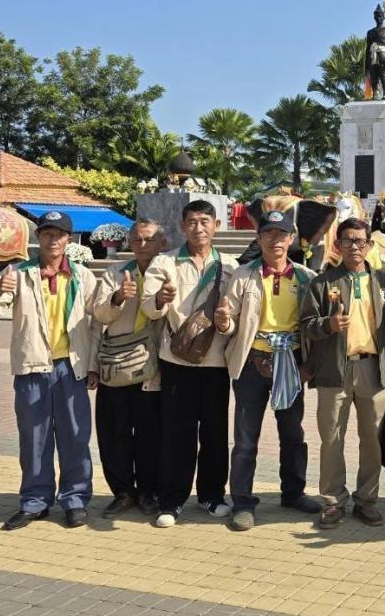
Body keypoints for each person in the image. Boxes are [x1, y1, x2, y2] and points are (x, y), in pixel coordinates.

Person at [0, 210, 98, 530]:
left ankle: (75, 499)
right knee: (35, 439)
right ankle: (35, 501)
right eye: (46, 233)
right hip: (32, 367)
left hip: (71, 368)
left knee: (75, 437)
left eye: (59, 234)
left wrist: (94, 365)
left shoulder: (82, 276)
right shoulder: (19, 273)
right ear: (38, 237)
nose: (53, 239)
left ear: (68, 240)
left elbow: (97, 322)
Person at [219, 208, 322, 531]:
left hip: (290, 363)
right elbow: (230, 318)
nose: (275, 241)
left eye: (281, 235)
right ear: (259, 238)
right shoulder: (244, 275)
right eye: (268, 234)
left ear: (291, 239)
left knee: (293, 434)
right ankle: (243, 502)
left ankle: (293, 492)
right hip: (253, 362)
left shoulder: (306, 278)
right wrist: (224, 322)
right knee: (246, 437)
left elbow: (312, 327)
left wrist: (308, 367)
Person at [141, 200, 241, 527]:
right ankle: (172, 500)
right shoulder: (165, 262)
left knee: (214, 432)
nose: (199, 228)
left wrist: (226, 323)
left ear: (216, 225)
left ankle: (212, 495)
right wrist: (160, 300)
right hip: (177, 361)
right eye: (192, 222)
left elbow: (236, 318)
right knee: (177, 433)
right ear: (182, 227)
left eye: (205, 221)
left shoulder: (231, 265)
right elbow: (148, 307)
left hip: (216, 362)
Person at [299, 217, 385, 529]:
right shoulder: (322, 282)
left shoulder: (383, 283)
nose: (354, 246)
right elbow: (305, 326)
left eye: (360, 241)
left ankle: (367, 500)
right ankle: (332, 501)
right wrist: (327, 325)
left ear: (370, 245)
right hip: (333, 371)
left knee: (372, 438)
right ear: (337, 245)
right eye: (347, 241)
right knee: (332, 438)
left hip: (373, 368)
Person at [89, 219, 167, 518]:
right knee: (114, 432)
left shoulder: (168, 271)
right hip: (117, 364)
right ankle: (123, 492)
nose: (142, 245)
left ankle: (148, 491)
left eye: (148, 239)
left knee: (151, 434)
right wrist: (119, 297)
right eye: (136, 239)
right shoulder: (115, 273)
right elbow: (99, 316)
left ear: (162, 242)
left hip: (154, 366)